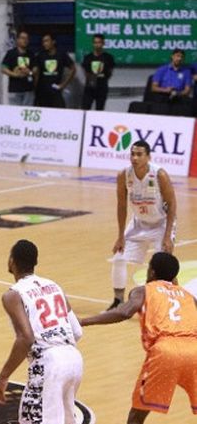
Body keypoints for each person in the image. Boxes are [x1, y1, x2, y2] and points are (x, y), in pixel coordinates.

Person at [80, 252, 197, 424]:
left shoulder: (143, 290)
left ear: (151, 273)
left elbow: (124, 311)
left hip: (166, 352)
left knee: (137, 416)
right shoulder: (189, 296)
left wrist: (84, 321)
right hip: (194, 350)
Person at [0, 239, 84, 424]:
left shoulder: (13, 295)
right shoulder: (54, 285)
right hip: (74, 360)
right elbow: (77, 331)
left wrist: (3, 377)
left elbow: (26, 337)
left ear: (12, 261)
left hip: (48, 364)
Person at [108, 140, 176, 311]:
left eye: (139, 154)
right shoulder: (124, 175)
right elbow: (121, 205)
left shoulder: (159, 174)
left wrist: (168, 235)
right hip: (139, 223)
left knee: (163, 266)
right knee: (118, 257)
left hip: (161, 225)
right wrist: (120, 236)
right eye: (132, 154)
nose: (135, 157)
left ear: (148, 157)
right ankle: (118, 301)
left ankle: (172, 302)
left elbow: (172, 203)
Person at [33, 33, 76, 108]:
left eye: (47, 41)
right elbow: (36, 73)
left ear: (53, 41)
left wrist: (63, 84)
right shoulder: (40, 55)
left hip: (55, 91)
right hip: (42, 92)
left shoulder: (61, 54)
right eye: (43, 42)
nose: (44, 44)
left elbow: (73, 69)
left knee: (60, 113)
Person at [81, 33, 115, 111]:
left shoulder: (108, 57)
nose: (97, 45)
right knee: (85, 109)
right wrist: (92, 79)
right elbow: (86, 72)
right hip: (89, 88)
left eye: (99, 42)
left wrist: (102, 78)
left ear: (103, 43)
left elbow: (110, 71)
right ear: (93, 44)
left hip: (102, 88)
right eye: (95, 42)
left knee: (99, 110)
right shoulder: (88, 57)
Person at [1, 30, 35, 106]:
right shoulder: (11, 53)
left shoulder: (31, 54)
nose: (25, 40)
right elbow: (3, 68)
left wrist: (29, 72)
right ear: (17, 40)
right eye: (23, 38)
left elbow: (35, 69)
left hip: (28, 90)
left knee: (27, 113)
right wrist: (14, 74)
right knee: (15, 114)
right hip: (14, 89)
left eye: (27, 38)